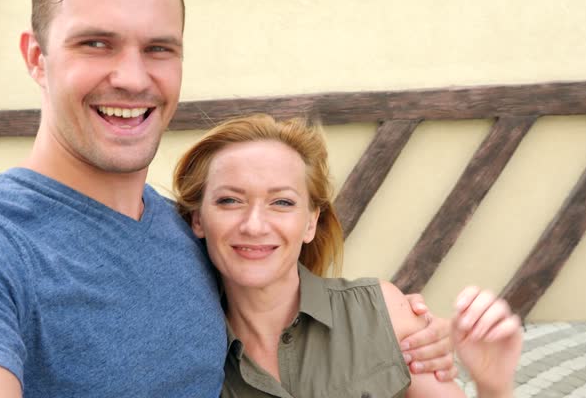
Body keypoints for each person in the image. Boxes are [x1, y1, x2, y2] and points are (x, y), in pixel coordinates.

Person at [0, 0, 459, 398]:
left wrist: (402, 331)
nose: (133, 77)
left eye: (158, 48)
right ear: (38, 57)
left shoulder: (188, 235)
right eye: (96, 44)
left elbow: (280, 308)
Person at [173, 114, 523, 398]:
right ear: (198, 219)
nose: (254, 225)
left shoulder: (382, 312)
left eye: (282, 202)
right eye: (229, 200)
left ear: (310, 222)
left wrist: (493, 386)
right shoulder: (178, 349)